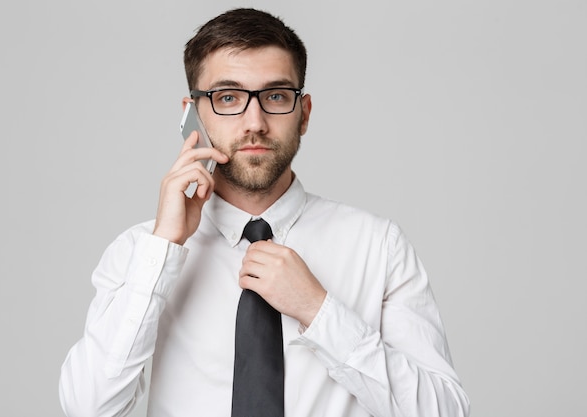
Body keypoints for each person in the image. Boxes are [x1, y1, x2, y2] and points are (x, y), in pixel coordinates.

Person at [59, 8, 469, 417]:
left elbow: (446, 412)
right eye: (228, 98)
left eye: (275, 96)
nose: (254, 123)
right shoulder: (138, 252)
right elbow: (87, 409)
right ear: (192, 114)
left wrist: (319, 311)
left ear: (303, 113)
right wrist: (164, 249)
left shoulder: (379, 246)